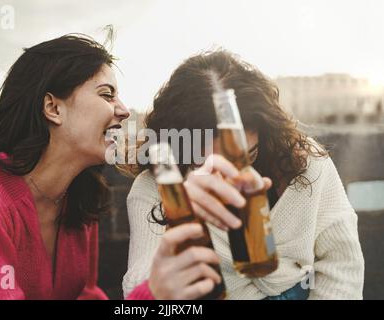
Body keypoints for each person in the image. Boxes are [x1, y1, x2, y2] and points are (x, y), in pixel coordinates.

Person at [0, 35, 258, 300]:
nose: (123, 111)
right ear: (52, 107)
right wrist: (153, 294)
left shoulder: (77, 199)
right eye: (107, 95)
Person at [123, 50, 365, 300]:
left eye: (249, 155)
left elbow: (342, 266)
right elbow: (138, 287)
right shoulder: (154, 188)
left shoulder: (306, 164)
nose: (236, 175)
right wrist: (183, 223)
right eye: (214, 165)